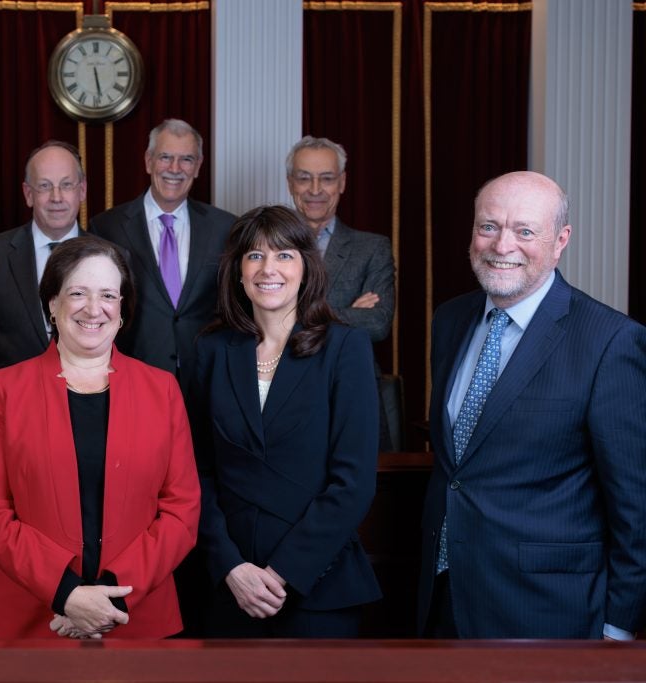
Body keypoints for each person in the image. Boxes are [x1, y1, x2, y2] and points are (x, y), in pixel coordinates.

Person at [418, 171, 646, 639]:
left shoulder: (611, 341)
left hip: (548, 611)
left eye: (525, 230)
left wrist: (618, 627)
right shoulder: (450, 319)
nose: (503, 245)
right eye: (489, 226)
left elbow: (634, 506)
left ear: (561, 240)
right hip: (444, 594)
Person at [0, 237, 200, 639]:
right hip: (31, 620)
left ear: (122, 309)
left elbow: (182, 510)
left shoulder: (162, 390)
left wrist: (111, 600)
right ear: (53, 304)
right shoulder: (3, 389)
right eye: (77, 293)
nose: (94, 309)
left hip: (136, 616)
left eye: (108, 294)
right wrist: (66, 593)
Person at [192, 205, 381, 638]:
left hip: (318, 586)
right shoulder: (213, 349)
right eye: (254, 256)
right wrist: (231, 565)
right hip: (230, 586)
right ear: (239, 272)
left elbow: (352, 482)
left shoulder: (345, 348)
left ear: (305, 268)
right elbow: (194, 471)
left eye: (284, 255)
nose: (268, 269)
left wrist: (282, 572)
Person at [89, 119, 235, 399]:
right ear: (148, 161)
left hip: (206, 381)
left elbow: (233, 308)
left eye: (186, 159)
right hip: (132, 377)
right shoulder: (107, 227)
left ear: (199, 165)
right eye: (166, 157)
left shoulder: (225, 228)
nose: (175, 169)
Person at [0, 141, 87, 404]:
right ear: (28, 193)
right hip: (9, 406)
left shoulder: (110, 258)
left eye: (66, 184)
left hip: (86, 407)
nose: (57, 197)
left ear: (82, 190)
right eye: (45, 186)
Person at [285, 135, 394, 341]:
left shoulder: (372, 248)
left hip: (347, 370)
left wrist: (297, 317)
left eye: (326, 178)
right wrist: (347, 313)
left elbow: (377, 323)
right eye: (304, 178)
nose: (315, 189)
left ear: (342, 182)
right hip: (281, 369)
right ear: (290, 183)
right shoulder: (268, 245)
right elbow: (258, 320)